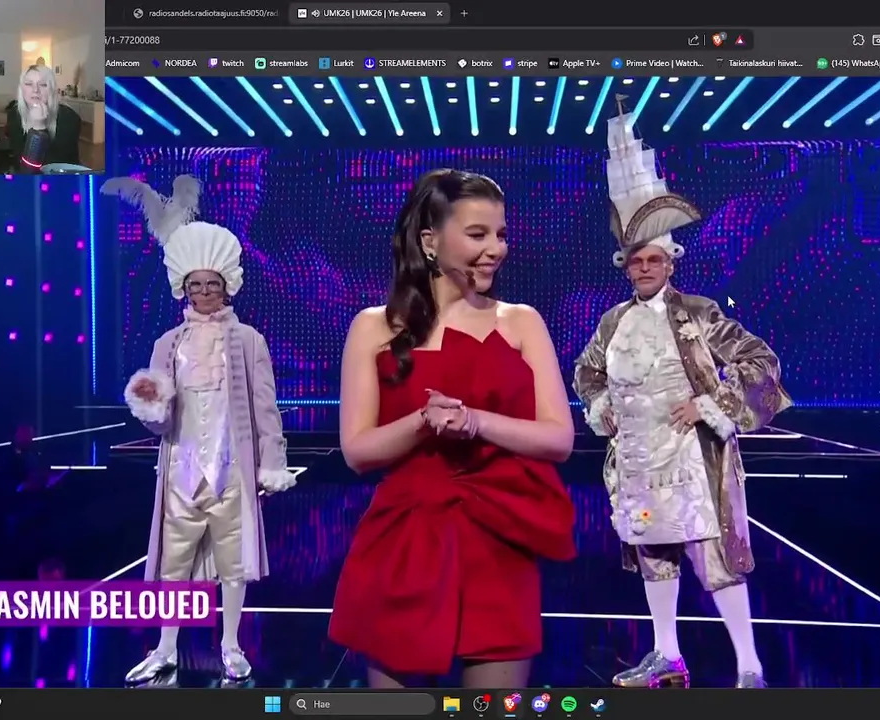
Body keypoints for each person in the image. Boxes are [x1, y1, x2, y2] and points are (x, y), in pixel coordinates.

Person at [573, 97, 793, 689]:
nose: (643, 268)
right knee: (654, 555)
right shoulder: (613, 321)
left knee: (715, 561)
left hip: (693, 461)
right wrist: (600, 407)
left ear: (670, 263)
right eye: (635, 260)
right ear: (625, 265)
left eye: (653, 259)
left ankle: (749, 667)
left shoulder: (698, 312)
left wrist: (712, 404)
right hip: (638, 462)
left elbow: (759, 361)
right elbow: (586, 373)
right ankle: (667, 658)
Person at [329, 169, 578, 688]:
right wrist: (423, 422)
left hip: (500, 542)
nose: (496, 249)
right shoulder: (373, 326)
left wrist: (476, 421)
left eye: (501, 234)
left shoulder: (522, 321)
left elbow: (559, 438)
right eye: (478, 234)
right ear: (430, 241)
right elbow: (357, 449)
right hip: (405, 541)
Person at [103, 174, 298, 686]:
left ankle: (230, 645)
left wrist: (272, 463)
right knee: (174, 563)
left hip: (232, 471)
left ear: (226, 285)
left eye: (213, 284)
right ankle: (165, 647)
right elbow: (157, 412)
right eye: (196, 285)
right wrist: (148, 405)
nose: (205, 293)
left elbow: (265, 407)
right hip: (181, 471)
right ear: (183, 288)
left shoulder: (249, 340)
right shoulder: (167, 344)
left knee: (234, 563)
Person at [6, 65, 82, 173]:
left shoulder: (69, 117)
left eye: (43, 85)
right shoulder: (15, 114)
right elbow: (23, 164)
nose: (35, 90)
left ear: (52, 89)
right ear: (21, 89)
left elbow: (51, 167)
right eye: (29, 84)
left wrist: (39, 128)